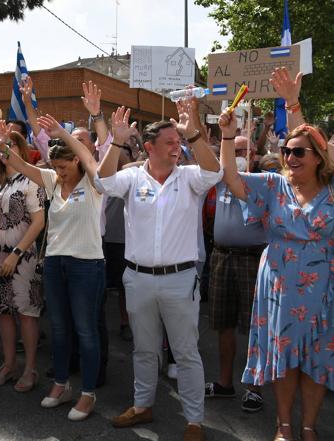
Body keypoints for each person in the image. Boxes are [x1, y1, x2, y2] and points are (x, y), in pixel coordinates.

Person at [219, 69, 333, 441]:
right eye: (286, 151)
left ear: (318, 157)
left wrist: (294, 104)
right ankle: (283, 424)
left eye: (299, 152)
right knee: (285, 357)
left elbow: (311, 137)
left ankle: (309, 426)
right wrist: (224, 136)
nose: (290, 156)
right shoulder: (273, 185)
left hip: (322, 289)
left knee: (315, 360)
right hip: (280, 283)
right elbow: (232, 180)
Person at [97, 102, 222, 441]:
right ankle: (142, 406)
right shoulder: (132, 177)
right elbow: (103, 181)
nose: (176, 147)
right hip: (138, 278)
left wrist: (192, 132)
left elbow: (215, 172)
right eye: (169, 141)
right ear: (149, 147)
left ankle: (194, 421)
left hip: (180, 279)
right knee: (144, 349)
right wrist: (117, 142)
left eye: (177, 141)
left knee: (185, 353)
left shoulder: (190, 177)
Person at [2, 114, 105, 421]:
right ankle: (61, 385)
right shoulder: (50, 179)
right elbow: (19, 165)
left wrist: (62, 132)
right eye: (55, 167)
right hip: (56, 263)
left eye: (64, 166)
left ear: (76, 162)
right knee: (59, 329)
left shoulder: (94, 182)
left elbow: (89, 156)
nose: (58, 173)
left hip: (87, 265)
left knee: (86, 331)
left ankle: (88, 393)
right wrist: (1, 143)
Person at [0, 129, 46, 392]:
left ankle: (30, 369)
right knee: (2, 310)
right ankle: (9, 363)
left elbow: (39, 222)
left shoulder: (31, 180)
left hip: (22, 256)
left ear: (21, 149)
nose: (5, 151)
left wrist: (16, 254)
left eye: (10, 145)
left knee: (26, 312)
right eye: (1, 146)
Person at [203, 155, 266, 413]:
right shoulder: (217, 184)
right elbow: (205, 156)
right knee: (223, 323)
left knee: (256, 326)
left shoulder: (259, 185)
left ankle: (254, 389)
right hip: (221, 256)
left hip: (251, 258)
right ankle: (225, 382)